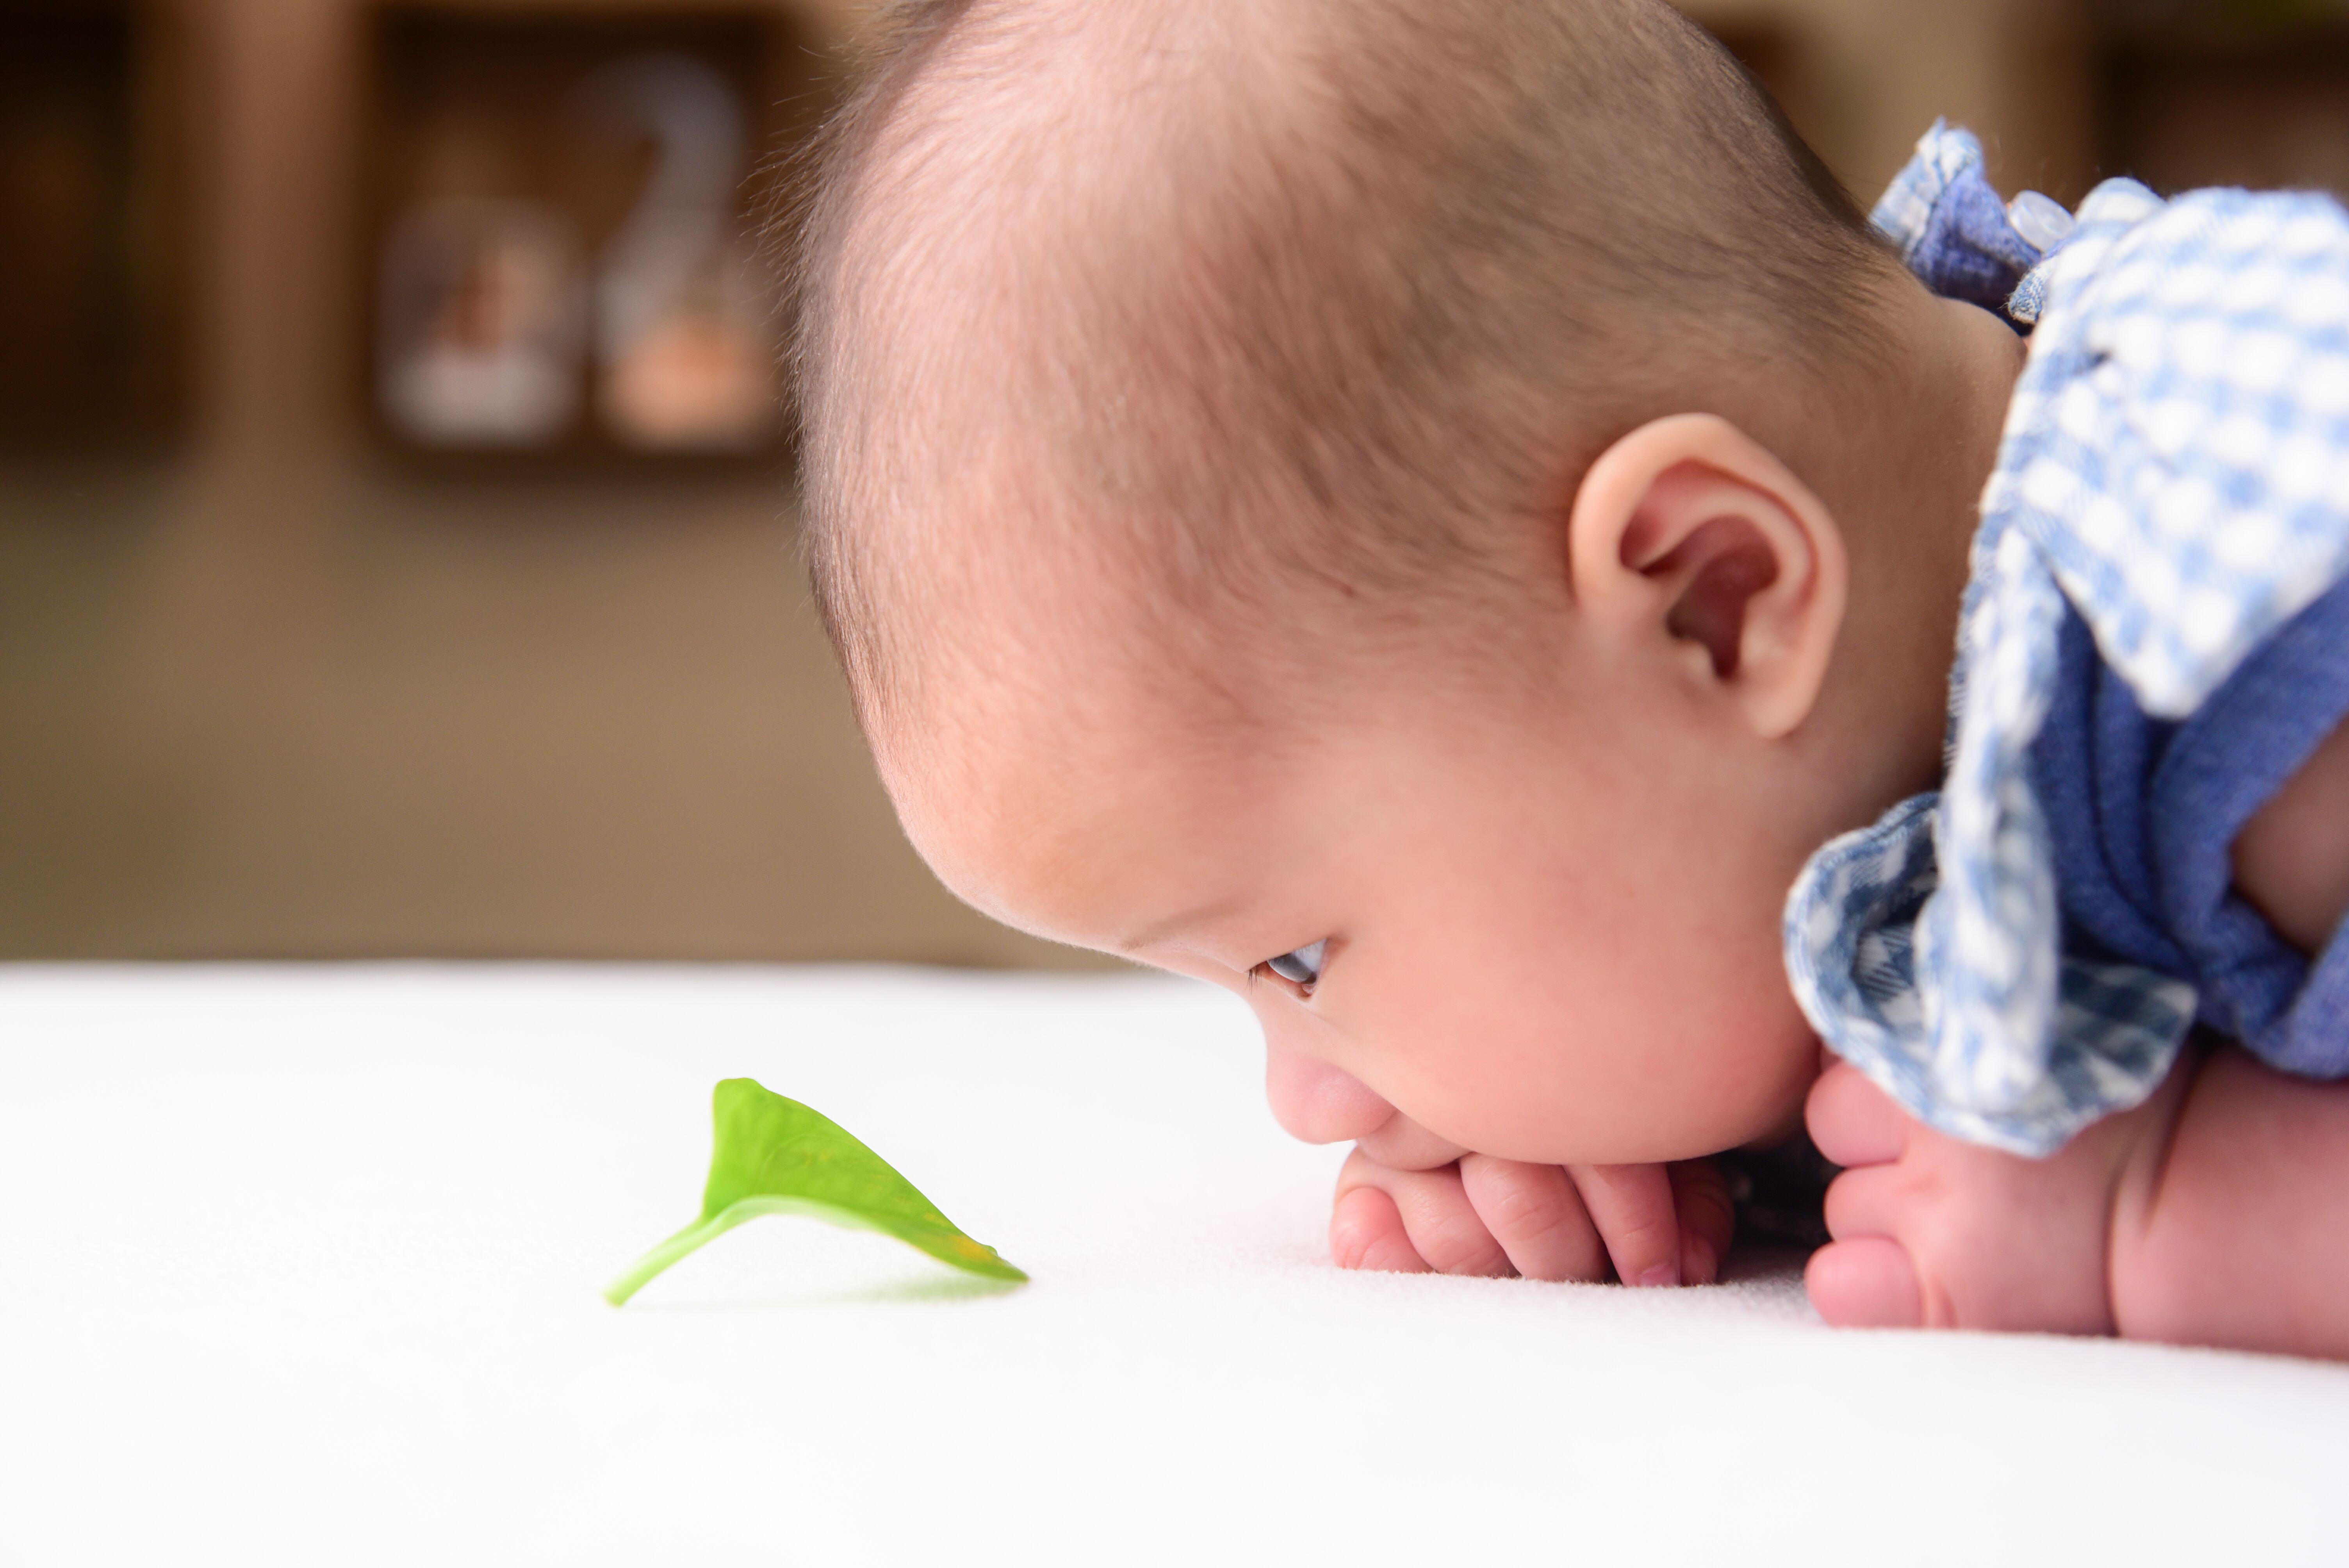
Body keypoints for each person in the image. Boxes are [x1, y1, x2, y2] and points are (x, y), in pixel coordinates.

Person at [784, 0, 2349, 1357]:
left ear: (1713, 600)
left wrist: (2176, 1211)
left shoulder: (2238, 615)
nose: (1308, 1106)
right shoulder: (1873, 699)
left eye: (1300, 964)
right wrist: (1708, 1141)